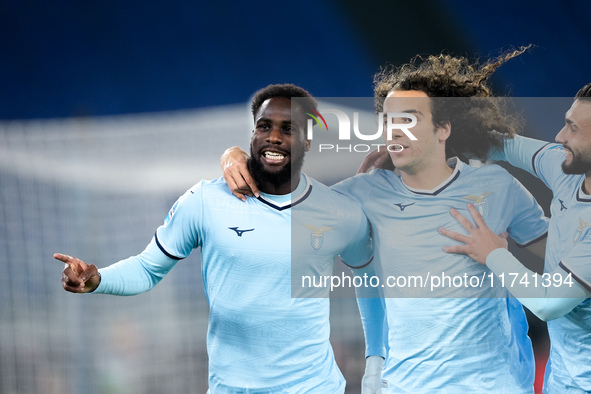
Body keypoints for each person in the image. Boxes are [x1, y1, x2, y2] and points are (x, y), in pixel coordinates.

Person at [219, 50, 549, 393]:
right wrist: (235, 155)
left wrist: (501, 257)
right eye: (389, 120)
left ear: (443, 129)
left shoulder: (496, 185)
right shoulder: (361, 193)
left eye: (409, 119)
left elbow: (566, 254)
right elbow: (274, 202)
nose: (395, 130)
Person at [54, 83, 374, 393]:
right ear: (252, 135)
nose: (274, 137)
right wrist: (98, 280)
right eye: (264, 126)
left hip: (312, 387)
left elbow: (375, 279)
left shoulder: (340, 212)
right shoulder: (206, 200)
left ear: (308, 141)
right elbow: (148, 267)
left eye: (288, 129)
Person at [440, 83, 591, 393]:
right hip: (562, 378)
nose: (560, 136)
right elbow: (501, 145)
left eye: (573, 129)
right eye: (565, 122)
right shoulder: (567, 169)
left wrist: (493, 253)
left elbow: (548, 304)